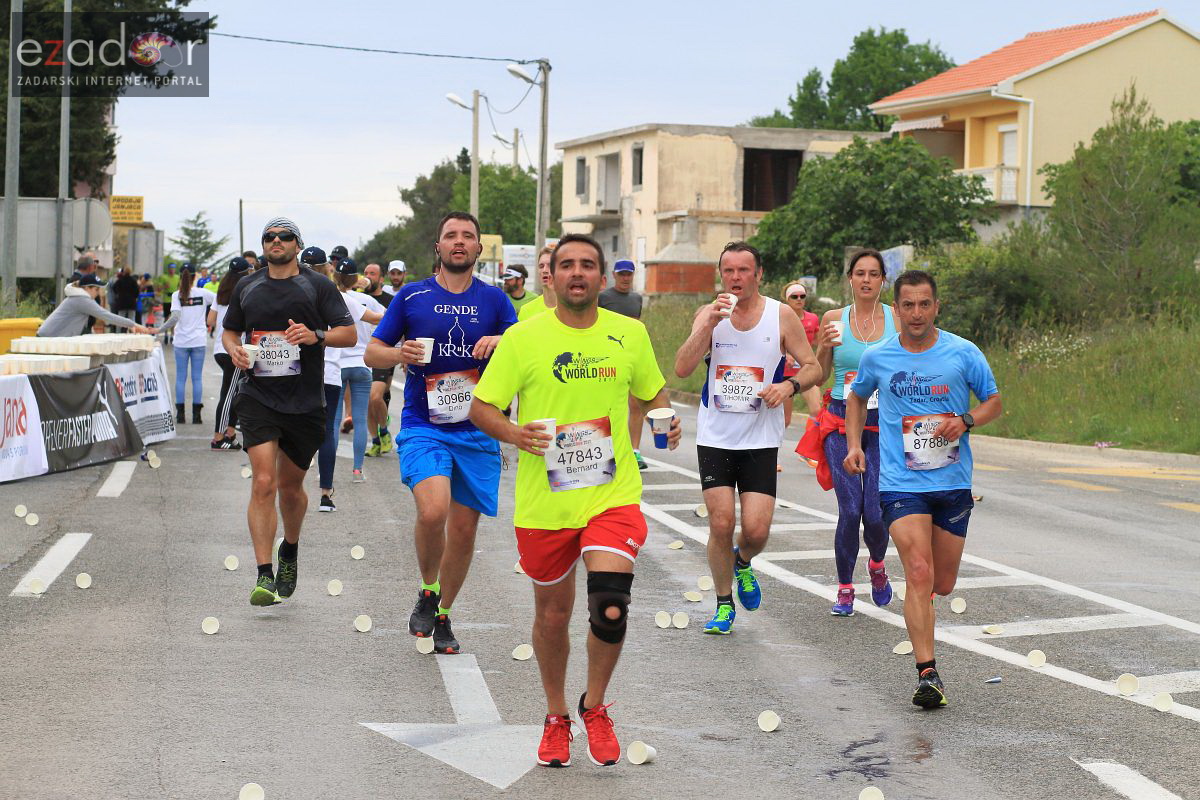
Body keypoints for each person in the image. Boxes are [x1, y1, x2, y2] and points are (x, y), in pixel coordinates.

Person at [470, 233, 682, 768]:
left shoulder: (629, 334)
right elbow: (482, 407)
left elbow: (654, 392)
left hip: (612, 494)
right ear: (553, 276)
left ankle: (595, 705)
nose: (578, 273)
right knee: (553, 613)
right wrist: (516, 435)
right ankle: (556, 714)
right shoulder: (523, 337)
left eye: (589, 265)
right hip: (546, 500)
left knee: (610, 605)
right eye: (568, 265)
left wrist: (664, 420)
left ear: (603, 278)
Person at [844, 269, 1001, 708]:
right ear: (897, 309)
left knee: (942, 583)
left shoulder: (963, 352)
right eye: (908, 305)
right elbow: (857, 396)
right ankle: (927, 673)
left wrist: (966, 420)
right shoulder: (880, 356)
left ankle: (924, 606)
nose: (916, 313)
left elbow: (994, 401)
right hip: (901, 484)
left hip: (951, 483)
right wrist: (854, 444)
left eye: (924, 304)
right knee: (918, 571)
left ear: (936, 306)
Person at [365, 211, 517, 654]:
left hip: (478, 427)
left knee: (465, 532)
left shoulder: (494, 301)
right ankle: (428, 589)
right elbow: (374, 352)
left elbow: (525, 346)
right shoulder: (412, 297)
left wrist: (503, 341)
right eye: (450, 235)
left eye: (467, 236)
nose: (459, 242)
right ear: (438, 247)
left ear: (478, 249)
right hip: (423, 425)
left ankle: (444, 615)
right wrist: (399, 352)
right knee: (433, 513)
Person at [673, 241, 821, 635]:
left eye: (744, 270)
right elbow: (683, 367)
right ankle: (724, 604)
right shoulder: (709, 315)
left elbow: (813, 367)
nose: (736, 278)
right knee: (721, 523)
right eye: (729, 271)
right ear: (721, 275)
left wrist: (789, 387)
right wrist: (706, 324)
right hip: (716, 434)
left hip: (760, 438)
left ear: (758, 274)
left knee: (755, 531)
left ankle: (742, 561)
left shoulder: (782, 315)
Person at [223, 218, 356, 606]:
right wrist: (234, 349)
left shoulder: (317, 285)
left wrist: (315, 335)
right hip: (259, 396)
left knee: (290, 487)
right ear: (263, 245)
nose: (275, 242)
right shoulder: (248, 285)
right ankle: (264, 575)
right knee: (263, 481)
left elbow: (347, 334)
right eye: (269, 237)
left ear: (297, 244)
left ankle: (290, 550)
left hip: (304, 402)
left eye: (284, 237)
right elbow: (231, 330)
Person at [800, 250, 901, 616]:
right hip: (841, 419)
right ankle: (844, 587)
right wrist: (823, 346)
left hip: (883, 422)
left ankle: (876, 565)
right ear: (850, 279)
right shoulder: (833, 319)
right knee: (849, 509)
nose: (867, 280)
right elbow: (819, 373)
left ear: (883, 280)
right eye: (860, 273)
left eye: (874, 274)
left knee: (875, 512)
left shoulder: (896, 318)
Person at [327, 258, 385, 483]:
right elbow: (384, 317)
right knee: (360, 419)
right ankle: (357, 471)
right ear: (356, 279)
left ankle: (328, 469)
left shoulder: (330, 298)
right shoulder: (366, 300)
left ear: (335, 277)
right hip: (361, 363)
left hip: (338, 365)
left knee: (333, 420)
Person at [598, 259, 649, 470]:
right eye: (622, 274)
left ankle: (635, 451)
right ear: (614, 275)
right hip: (607, 357)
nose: (625, 278)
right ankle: (605, 448)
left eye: (629, 274)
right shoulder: (603, 297)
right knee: (607, 404)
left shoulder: (637, 298)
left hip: (631, 355)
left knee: (636, 404)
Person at [158, 264, 215, 425]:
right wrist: (212, 317)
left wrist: (159, 330)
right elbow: (220, 299)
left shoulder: (177, 295)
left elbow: (175, 317)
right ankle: (197, 417)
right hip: (198, 341)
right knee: (197, 378)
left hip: (181, 342)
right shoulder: (203, 293)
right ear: (194, 276)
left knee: (181, 378)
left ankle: (180, 416)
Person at [208, 257, 252, 451]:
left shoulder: (221, 291)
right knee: (228, 395)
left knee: (235, 393)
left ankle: (230, 434)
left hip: (219, 347)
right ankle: (218, 437)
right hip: (234, 348)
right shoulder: (244, 291)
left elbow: (210, 319)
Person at [36, 274, 151, 336]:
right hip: (47, 339)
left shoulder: (78, 297)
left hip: (49, 337)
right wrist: (134, 324)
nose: (98, 293)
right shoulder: (82, 300)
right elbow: (107, 316)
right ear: (86, 288)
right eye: (96, 289)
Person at [360, 262, 396, 459]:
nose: (367, 276)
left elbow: (404, 325)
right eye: (365, 272)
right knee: (368, 402)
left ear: (381, 279)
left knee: (376, 396)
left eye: (372, 273)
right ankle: (375, 441)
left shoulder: (391, 301)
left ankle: (384, 430)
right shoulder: (358, 298)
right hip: (362, 355)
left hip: (384, 352)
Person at [781, 281, 823, 423]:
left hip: (805, 371)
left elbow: (818, 343)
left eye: (802, 296)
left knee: (817, 410)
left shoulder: (813, 318)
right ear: (787, 299)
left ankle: (809, 445)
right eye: (794, 296)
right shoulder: (780, 318)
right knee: (785, 420)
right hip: (785, 373)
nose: (799, 299)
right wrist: (786, 355)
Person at [517, 244, 558, 321]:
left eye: (550, 265)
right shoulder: (526, 311)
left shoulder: (573, 309)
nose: (544, 270)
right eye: (541, 266)